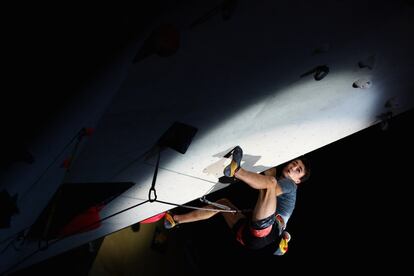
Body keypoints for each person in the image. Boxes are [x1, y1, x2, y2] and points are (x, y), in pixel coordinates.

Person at [163, 146, 311, 254]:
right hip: (248, 237)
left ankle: (236, 170)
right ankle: (175, 219)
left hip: (263, 230)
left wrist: (268, 174)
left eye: (298, 170)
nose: (293, 167)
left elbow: (270, 188)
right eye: (295, 163)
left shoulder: (291, 186)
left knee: (270, 182)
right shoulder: (282, 185)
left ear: (298, 180)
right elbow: (265, 191)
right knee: (222, 204)